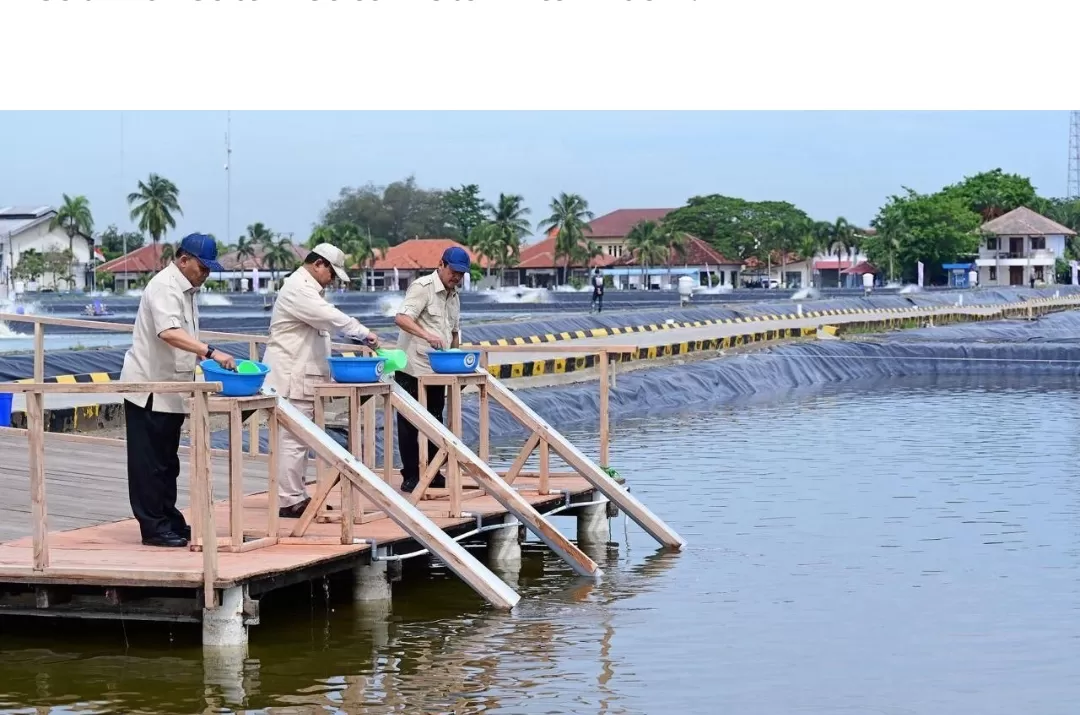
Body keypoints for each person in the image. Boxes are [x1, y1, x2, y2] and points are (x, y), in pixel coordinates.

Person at [121, 233, 236, 548]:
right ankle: (153, 527)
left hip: (172, 387)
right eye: (202, 267)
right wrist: (210, 352)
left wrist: (200, 357)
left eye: (209, 269)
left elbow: (183, 336)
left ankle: (169, 518)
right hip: (150, 388)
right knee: (149, 463)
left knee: (167, 462)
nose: (206, 274)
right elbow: (169, 332)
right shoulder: (165, 286)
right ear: (184, 260)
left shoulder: (187, 290)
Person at [263, 243, 379, 518]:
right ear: (318, 264)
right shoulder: (299, 289)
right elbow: (331, 317)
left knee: (299, 441)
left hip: (300, 375)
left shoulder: (308, 290)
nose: (333, 280)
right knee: (292, 441)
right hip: (291, 375)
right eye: (332, 273)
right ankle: (290, 500)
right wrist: (364, 333)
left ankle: (297, 495)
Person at [393, 246, 468, 492]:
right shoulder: (422, 287)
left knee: (436, 419)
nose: (456, 277)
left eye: (461, 274)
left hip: (438, 370)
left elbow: (454, 332)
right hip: (413, 367)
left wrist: (457, 363)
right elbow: (402, 318)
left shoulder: (454, 296)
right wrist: (426, 334)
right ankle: (411, 475)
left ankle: (433, 471)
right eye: (453, 271)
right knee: (409, 423)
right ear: (441, 265)